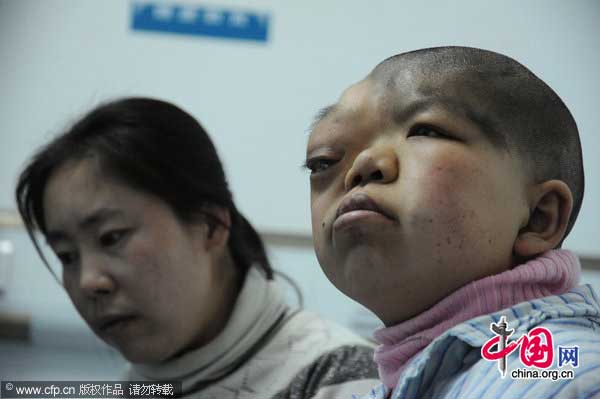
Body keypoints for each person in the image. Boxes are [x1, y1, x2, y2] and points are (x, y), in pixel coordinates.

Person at [15, 97, 379, 399]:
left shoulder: (340, 378)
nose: (88, 282)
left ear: (210, 226)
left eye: (112, 237)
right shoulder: (139, 385)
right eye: (67, 256)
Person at [305, 46, 600, 398]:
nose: (361, 167)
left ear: (539, 216)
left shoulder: (566, 379)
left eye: (425, 132)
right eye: (324, 161)